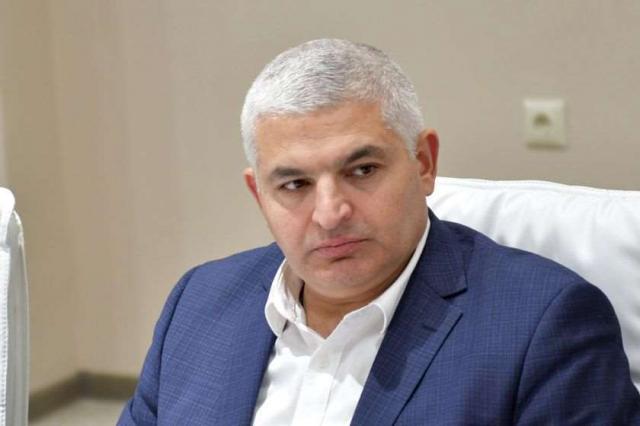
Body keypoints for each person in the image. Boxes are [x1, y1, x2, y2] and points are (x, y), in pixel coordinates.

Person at [118, 39, 640, 425]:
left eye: (362, 170)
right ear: (260, 195)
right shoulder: (199, 301)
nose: (330, 213)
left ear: (424, 163)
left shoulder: (546, 325)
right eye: (295, 184)